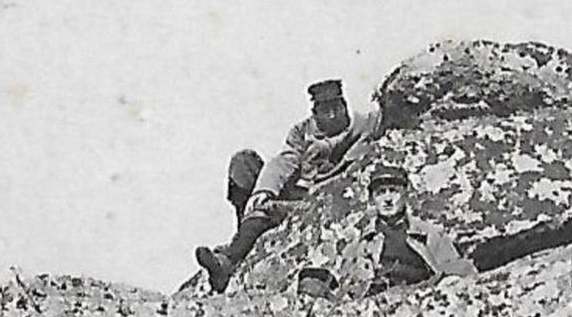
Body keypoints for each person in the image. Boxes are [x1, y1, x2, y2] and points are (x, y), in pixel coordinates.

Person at [195, 79, 386, 294]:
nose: (333, 115)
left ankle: (228, 261)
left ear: (345, 106)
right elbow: (285, 160)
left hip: (320, 198)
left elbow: (388, 115)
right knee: (243, 162)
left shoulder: (364, 125)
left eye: (337, 108)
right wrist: (264, 190)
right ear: (314, 113)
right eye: (325, 111)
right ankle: (243, 232)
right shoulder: (302, 132)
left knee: (268, 211)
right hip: (297, 189)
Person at [362, 164, 477, 293]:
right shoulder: (362, 242)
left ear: (405, 193)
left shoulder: (430, 234)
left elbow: (461, 271)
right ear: (372, 199)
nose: (388, 199)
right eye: (380, 192)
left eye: (393, 191)